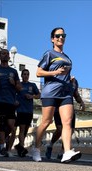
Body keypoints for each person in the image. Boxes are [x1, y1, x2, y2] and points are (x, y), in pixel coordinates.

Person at [32, 27, 82, 163]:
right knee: (46, 122)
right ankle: (36, 148)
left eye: (63, 35)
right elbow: (39, 72)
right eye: (58, 35)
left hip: (65, 93)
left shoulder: (67, 58)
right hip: (50, 92)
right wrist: (55, 72)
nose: (61, 38)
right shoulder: (49, 54)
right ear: (52, 39)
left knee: (67, 123)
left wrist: (69, 80)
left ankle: (67, 152)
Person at [45, 76, 85, 159]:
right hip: (58, 108)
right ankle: (50, 145)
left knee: (69, 130)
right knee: (60, 129)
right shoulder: (58, 79)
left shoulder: (74, 81)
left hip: (70, 109)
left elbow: (76, 94)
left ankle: (62, 152)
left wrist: (81, 102)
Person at [15, 69, 40, 157]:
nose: (26, 76)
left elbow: (39, 95)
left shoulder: (32, 85)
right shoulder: (18, 85)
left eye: (27, 74)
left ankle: (19, 146)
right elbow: (13, 95)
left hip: (29, 111)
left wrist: (32, 96)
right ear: (21, 76)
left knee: (25, 130)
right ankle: (21, 147)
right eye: (24, 74)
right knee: (22, 128)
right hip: (21, 110)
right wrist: (16, 101)